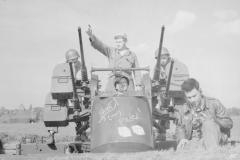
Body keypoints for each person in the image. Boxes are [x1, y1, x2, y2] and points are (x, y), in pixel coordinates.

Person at [175, 78, 233, 149]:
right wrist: (181, 138)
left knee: (208, 123)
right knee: (181, 148)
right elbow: (180, 126)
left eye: (194, 96)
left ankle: (213, 153)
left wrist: (214, 120)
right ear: (185, 96)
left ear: (200, 91)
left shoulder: (214, 103)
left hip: (214, 139)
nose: (192, 100)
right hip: (195, 141)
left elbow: (229, 123)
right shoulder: (183, 109)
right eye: (189, 97)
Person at [86, 26, 142, 92]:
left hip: (128, 82)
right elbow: (100, 46)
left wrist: (138, 85)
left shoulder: (132, 55)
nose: (118, 44)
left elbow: (137, 70)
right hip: (113, 81)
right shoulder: (111, 51)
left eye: (120, 42)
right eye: (117, 42)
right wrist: (91, 36)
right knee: (107, 99)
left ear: (125, 41)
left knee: (131, 100)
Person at [46, 49, 82, 144]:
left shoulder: (80, 66)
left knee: (79, 108)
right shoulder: (60, 65)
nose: (75, 61)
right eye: (72, 60)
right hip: (62, 90)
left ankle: (81, 133)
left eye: (76, 59)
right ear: (68, 60)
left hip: (75, 89)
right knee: (55, 107)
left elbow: (80, 78)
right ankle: (51, 134)